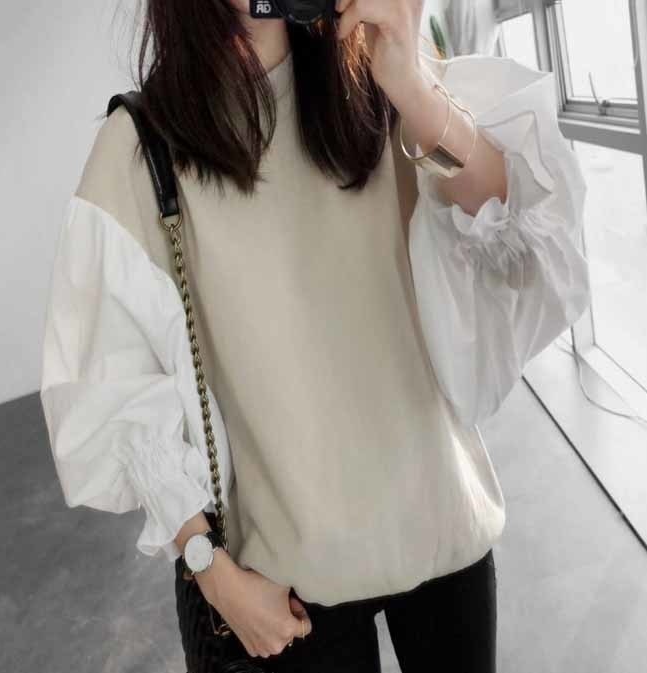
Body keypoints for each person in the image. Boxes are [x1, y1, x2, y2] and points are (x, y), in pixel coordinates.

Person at [39, 1, 591, 671]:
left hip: (443, 525)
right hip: (289, 587)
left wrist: (413, 88)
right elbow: (110, 387)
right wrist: (211, 571)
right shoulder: (144, 142)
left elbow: (521, 240)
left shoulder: (379, 75)